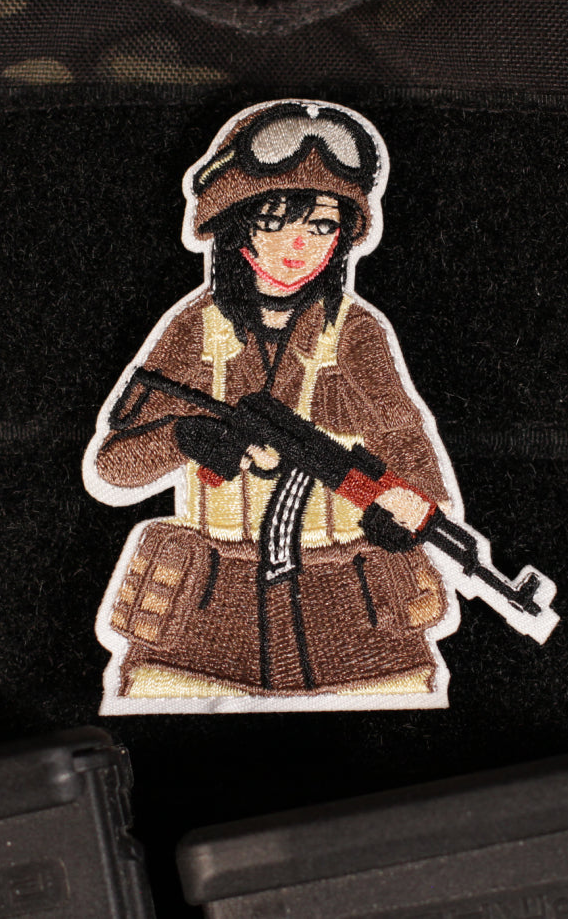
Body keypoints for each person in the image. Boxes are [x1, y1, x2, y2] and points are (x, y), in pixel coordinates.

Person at [82, 99, 471, 713]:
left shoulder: (355, 333)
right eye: (274, 219)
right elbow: (114, 466)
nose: (299, 243)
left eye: (322, 226)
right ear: (235, 225)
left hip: (352, 613)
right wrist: (184, 438)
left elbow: (408, 445)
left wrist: (409, 506)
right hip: (205, 613)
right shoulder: (195, 329)